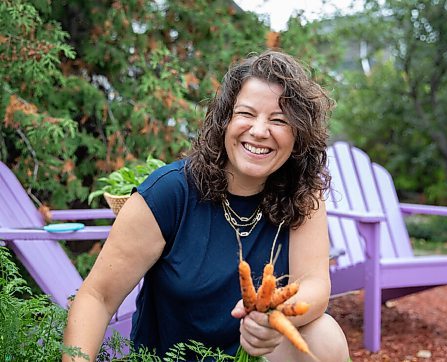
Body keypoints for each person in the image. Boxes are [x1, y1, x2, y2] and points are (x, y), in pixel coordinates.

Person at [63, 50, 349, 362]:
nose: (259, 131)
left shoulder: (302, 195)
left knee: (324, 337)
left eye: (279, 120)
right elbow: (97, 297)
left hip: (256, 356)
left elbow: (314, 284)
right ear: (225, 119)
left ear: (299, 135)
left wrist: (274, 315)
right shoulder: (169, 193)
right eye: (246, 114)